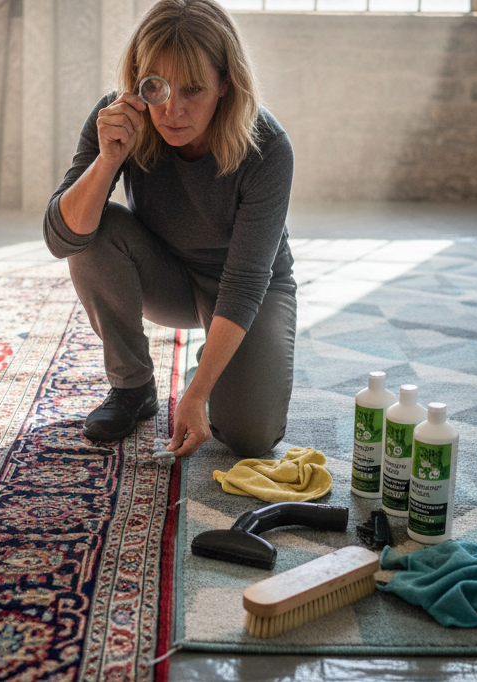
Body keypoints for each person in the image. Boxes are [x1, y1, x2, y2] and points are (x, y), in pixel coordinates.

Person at [43, 0, 296, 460]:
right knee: (90, 226)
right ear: (138, 82)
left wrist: (197, 393)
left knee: (249, 436)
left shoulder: (269, 147)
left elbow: (243, 284)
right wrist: (109, 159)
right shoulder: (117, 119)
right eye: (157, 87)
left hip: (247, 287)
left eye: (193, 89)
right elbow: (62, 239)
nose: (173, 110)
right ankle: (132, 386)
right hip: (169, 275)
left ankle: (219, 366)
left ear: (224, 82)